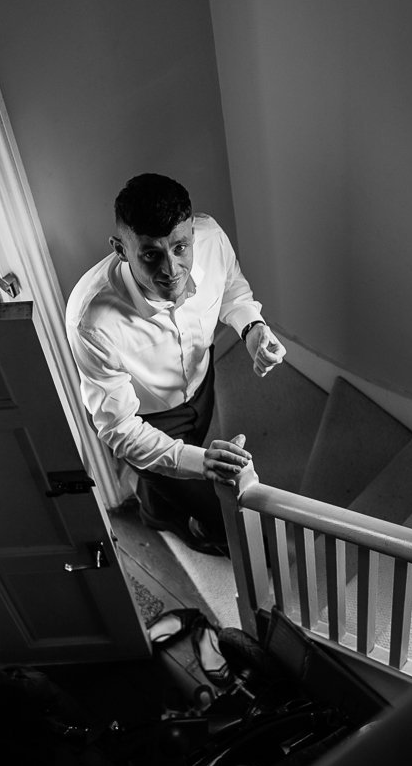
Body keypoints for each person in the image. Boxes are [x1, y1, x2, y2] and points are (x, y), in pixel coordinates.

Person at [66, 173, 286, 556]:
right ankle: (182, 522)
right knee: (218, 511)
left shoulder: (213, 238)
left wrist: (252, 329)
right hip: (146, 418)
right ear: (120, 249)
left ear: (193, 236)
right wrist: (201, 463)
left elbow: (233, 289)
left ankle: (155, 508)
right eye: (151, 254)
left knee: (178, 459)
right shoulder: (91, 321)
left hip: (202, 380)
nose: (171, 269)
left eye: (181, 248)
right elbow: (119, 428)